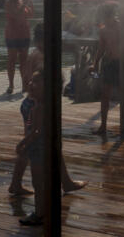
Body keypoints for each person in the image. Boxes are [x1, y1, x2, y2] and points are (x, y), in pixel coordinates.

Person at [10, 25, 86, 196]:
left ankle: (17, 183)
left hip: (30, 103)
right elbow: (40, 83)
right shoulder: (42, 57)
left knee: (33, 144)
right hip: (38, 105)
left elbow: (25, 80)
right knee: (42, 143)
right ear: (39, 41)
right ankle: (64, 182)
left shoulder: (33, 55)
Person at [91, 3, 124, 136]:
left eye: (107, 17)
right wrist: (95, 63)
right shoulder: (103, 30)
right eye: (104, 17)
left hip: (121, 63)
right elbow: (101, 48)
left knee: (123, 94)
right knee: (105, 95)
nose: (105, 20)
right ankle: (103, 125)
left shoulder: (123, 28)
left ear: (112, 16)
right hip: (108, 63)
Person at [15, 71, 46, 226]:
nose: (31, 85)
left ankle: (39, 213)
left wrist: (23, 143)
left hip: (39, 149)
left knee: (38, 182)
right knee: (39, 182)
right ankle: (41, 210)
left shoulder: (40, 108)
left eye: (36, 82)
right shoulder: (38, 105)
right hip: (38, 148)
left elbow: (36, 131)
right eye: (31, 81)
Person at [4, 0, 34, 95]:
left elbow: (31, 15)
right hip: (12, 34)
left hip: (24, 33)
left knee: (24, 60)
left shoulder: (24, 0)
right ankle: (11, 84)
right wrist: (25, 5)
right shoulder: (8, 3)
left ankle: (24, 84)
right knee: (12, 59)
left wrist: (29, 4)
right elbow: (15, 15)